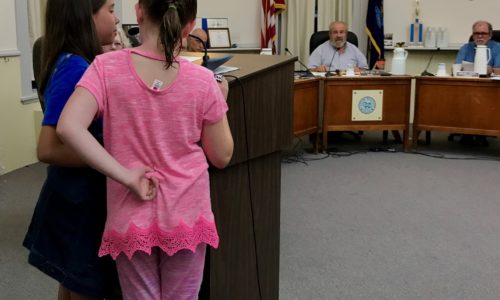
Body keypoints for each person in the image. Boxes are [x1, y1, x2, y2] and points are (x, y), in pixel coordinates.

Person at [57, 0, 234, 299]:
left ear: (139, 12)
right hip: (186, 214)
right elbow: (222, 155)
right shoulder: (204, 81)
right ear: (189, 26)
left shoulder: (105, 67)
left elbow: (68, 127)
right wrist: (221, 100)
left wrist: (126, 176)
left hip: (130, 214)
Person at [22, 0, 121, 299]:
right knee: (83, 285)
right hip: (77, 206)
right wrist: (110, 157)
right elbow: (48, 148)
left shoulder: (80, 62)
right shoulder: (75, 69)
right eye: (111, 9)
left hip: (76, 199)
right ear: (87, 17)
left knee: (71, 284)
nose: (116, 19)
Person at [452, 20, 500, 146]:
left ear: (490, 35)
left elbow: (499, 70)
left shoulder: (497, 48)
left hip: (490, 88)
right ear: (473, 35)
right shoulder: (465, 47)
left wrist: (490, 69)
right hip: (467, 86)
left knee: (483, 98)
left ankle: (481, 132)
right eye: (476, 33)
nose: (480, 36)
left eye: (483, 33)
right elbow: (456, 67)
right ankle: (466, 131)